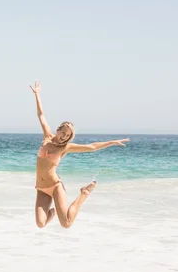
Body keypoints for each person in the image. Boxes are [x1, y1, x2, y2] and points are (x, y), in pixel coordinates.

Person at [30, 81, 129, 229]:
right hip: (41, 188)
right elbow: (41, 115)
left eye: (67, 135)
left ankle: (84, 193)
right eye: (63, 132)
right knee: (40, 223)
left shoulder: (65, 147)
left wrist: (112, 142)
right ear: (58, 130)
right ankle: (56, 211)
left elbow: (91, 147)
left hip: (55, 186)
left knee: (67, 223)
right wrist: (37, 94)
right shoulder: (46, 137)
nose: (64, 136)